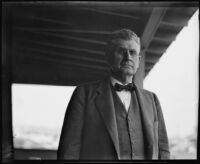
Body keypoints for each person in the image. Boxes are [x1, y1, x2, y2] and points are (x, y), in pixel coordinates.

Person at [57, 29, 170, 160]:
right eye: (122, 51)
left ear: (138, 60)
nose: (128, 57)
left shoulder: (152, 99)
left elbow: (163, 150)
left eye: (132, 53)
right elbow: (69, 152)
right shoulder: (84, 94)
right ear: (109, 57)